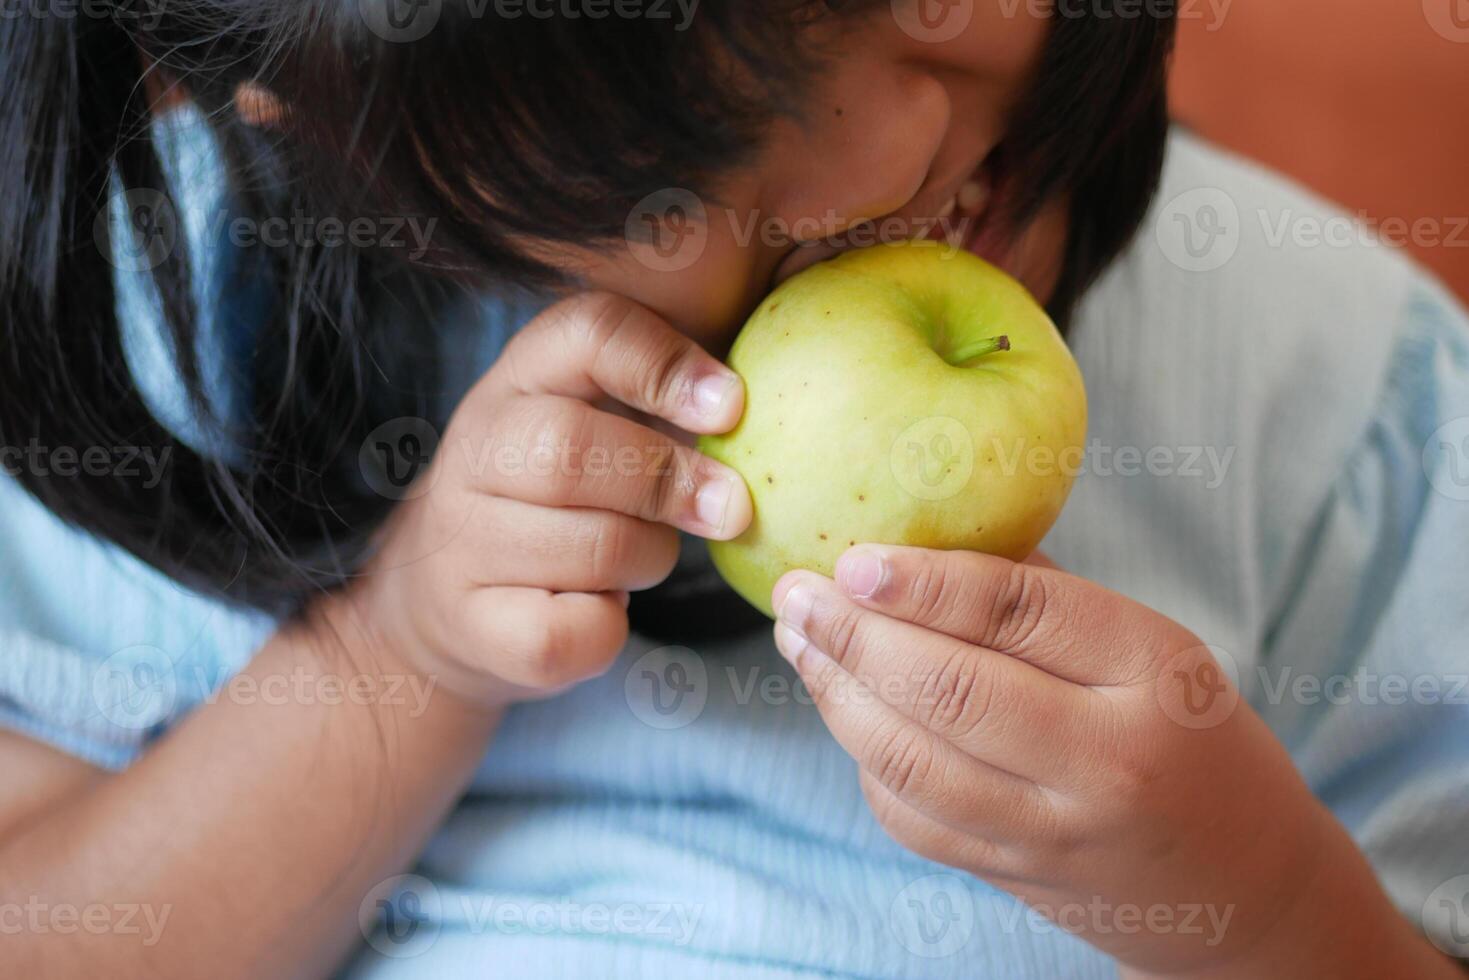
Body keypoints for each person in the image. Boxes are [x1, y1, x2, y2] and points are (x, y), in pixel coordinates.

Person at [1, 3, 1465, 977]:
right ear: (326, 135)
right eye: (669, 161)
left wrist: (1260, 902)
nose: (886, 148)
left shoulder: (1323, 377)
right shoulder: (180, 345)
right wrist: (403, 653)